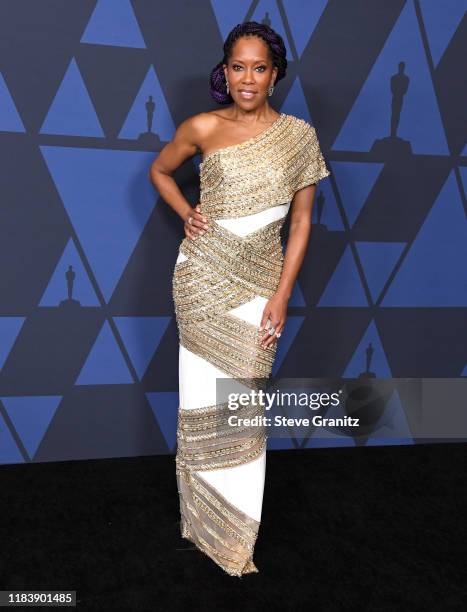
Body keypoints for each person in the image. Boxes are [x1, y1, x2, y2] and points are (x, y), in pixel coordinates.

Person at [149, 21, 331, 577]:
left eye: (258, 68)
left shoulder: (299, 136)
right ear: (224, 71)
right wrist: (188, 213)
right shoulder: (202, 126)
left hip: (259, 288)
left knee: (241, 406)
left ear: (275, 75)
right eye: (237, 66)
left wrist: (281, 296)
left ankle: (234, 537)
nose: (247, 79)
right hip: (200, 280)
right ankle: (200, 524)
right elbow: (160, 170)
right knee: (200, 399)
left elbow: (301, 223)